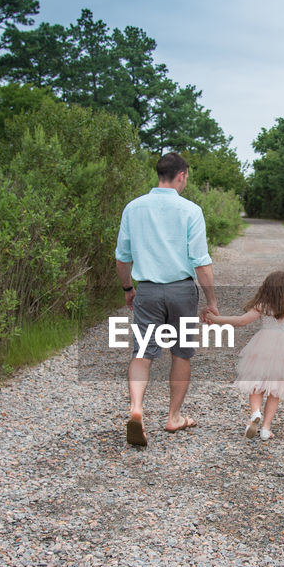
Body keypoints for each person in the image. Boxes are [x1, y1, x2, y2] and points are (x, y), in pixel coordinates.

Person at [115, 152, 218, 447]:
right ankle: (173, 417)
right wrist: (211, 300)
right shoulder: (190, 210)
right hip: (182, 291)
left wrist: (127, 289)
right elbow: (201, 262)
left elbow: (122, 258)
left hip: (147, 290)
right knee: (181, 353)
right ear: (182, 175)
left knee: (142, 353)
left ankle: (136, 409)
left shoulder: (133, 208)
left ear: (160, 174)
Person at [206, 270, 284, 440]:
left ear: (267, 289)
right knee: (275, 390)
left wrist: (217, 320)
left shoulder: (263, 307)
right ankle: (265, 428)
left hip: (263, 346)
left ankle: (255, 412)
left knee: (256, 384)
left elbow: (241, 321)